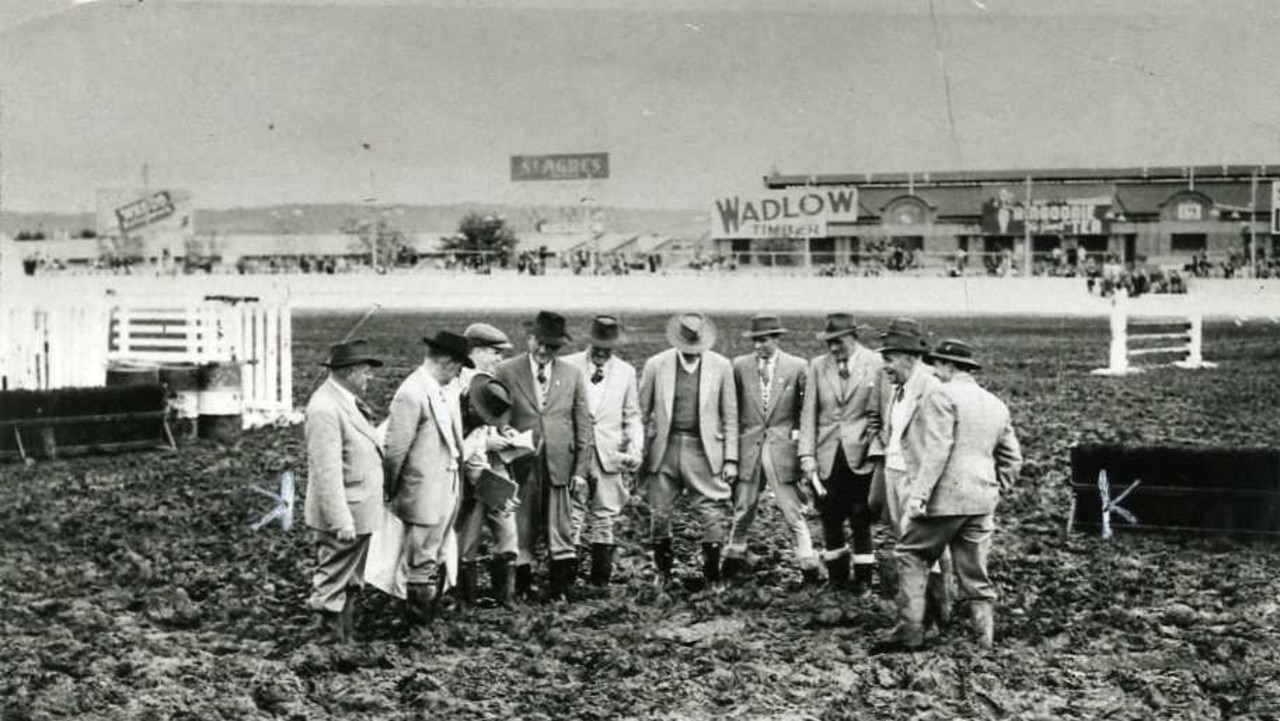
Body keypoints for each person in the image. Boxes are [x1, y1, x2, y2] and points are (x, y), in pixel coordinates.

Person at [875, 339, 1022, 652]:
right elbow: (1012, 458)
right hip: (981, 501)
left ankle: (909, 632)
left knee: (911, 554)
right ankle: (984, 641)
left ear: (950, 367)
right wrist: (995, 487)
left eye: (937, 363)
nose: (932, 369)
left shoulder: (940, 394)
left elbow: (937, 449)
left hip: (943, 499)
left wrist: (919, 496)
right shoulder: (995, 403)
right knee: (974, 572)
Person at [493, 311, 593, 600]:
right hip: (521, 463)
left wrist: (580, 471)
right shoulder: (507, 371)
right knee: (522, 527)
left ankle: (559, 589)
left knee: (560, 529)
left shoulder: (571, 375)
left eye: (552, 347)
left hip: (560, 464)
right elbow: (498, 417)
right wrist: (508, 438)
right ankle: (522, 589)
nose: (544, 351)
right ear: (530, 338)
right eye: (540, 343)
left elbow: (583, 423)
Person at [638, 312, 739, 587]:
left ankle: (712, 575)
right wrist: (638, 450)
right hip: (665, 447)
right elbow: (640, 412)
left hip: (704, 451)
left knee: (712, 512)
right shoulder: (656, 365)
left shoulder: (721, 366)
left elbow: (730, 415)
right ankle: (664, 574)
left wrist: (730, 458)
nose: (692, 353)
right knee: (659, 513)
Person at [723, 314, 820, 585]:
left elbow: (806, 410)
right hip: (749, 448)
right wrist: (730, 455)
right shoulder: (740, 367)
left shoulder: (797, 367)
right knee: (744, 507)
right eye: (755, 340)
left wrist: (802, 447)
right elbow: (732, 413)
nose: (759, 346)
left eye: (764, 340)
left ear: (776, 339)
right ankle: (733, 558)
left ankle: (808, 565)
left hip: (781, 450)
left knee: (792, 510)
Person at [384, 331, 473, 625]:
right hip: (422, 494)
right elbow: (395, 450)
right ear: (448, 362)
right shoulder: (411, 393)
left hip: (445, 491)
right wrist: (394, 490)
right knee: (420, 561)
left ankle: (426, 616)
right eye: (459, 367)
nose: (459, 374)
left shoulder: (440, 390)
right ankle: (417, 625)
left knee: (435, 556)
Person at [303, 339, 385, 643]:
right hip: (345, 514)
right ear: (350, 372)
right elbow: (327, 472)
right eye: (365, 371)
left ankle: (345, 640)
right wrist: (341, 520)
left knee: (350, 579)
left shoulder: (345, 401)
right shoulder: (324, 408)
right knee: (333, 579)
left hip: (359, 510)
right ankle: (328, 644)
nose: (369, 377)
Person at [871, 318, 950, 629]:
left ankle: (931, 617)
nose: (885, 367)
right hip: (894, 472)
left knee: (920, 549)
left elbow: (939, 444)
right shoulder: (899, 389)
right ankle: (923, 616)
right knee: (906, 544)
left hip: (915, 480)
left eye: (889, 359)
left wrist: (923, 490)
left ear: (908, 356)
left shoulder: (931, 389)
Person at [798, 312, 883, 595]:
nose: (833, 348)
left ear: (854, 337)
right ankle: (836, 580)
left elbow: (881, 411)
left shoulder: (876, 363)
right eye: (829, 343)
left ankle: (863, 581)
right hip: (827, 453)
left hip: (861, 454)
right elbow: (808, 414)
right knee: (829, 515)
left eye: (839, 342)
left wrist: (875, 446)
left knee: (861, 515)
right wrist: (807, 456)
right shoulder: (818, 366)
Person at [562, 315, 644, 586]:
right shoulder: (568, 365)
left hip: (608, 454)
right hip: (574, 452)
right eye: (596, 346)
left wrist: (635, 447)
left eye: (607, 349)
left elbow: (632, 415)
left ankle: (600, 581)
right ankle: (566, 578)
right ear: (589, 342)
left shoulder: (626, 372)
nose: (601, 353)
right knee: (571, 513)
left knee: (605, 515)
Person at [451, 323, 519, 607]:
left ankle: (504, 598)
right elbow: (469, 450)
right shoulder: (456, 385)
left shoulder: (486, 382)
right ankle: (464, 598)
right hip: (470, 472)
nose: (499, 359)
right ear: (475, 350)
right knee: (466, 536)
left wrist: (502, 434)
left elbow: (488, 424)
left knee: (507, 531)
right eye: (495, 352)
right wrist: (499, 492)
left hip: (489, 468)